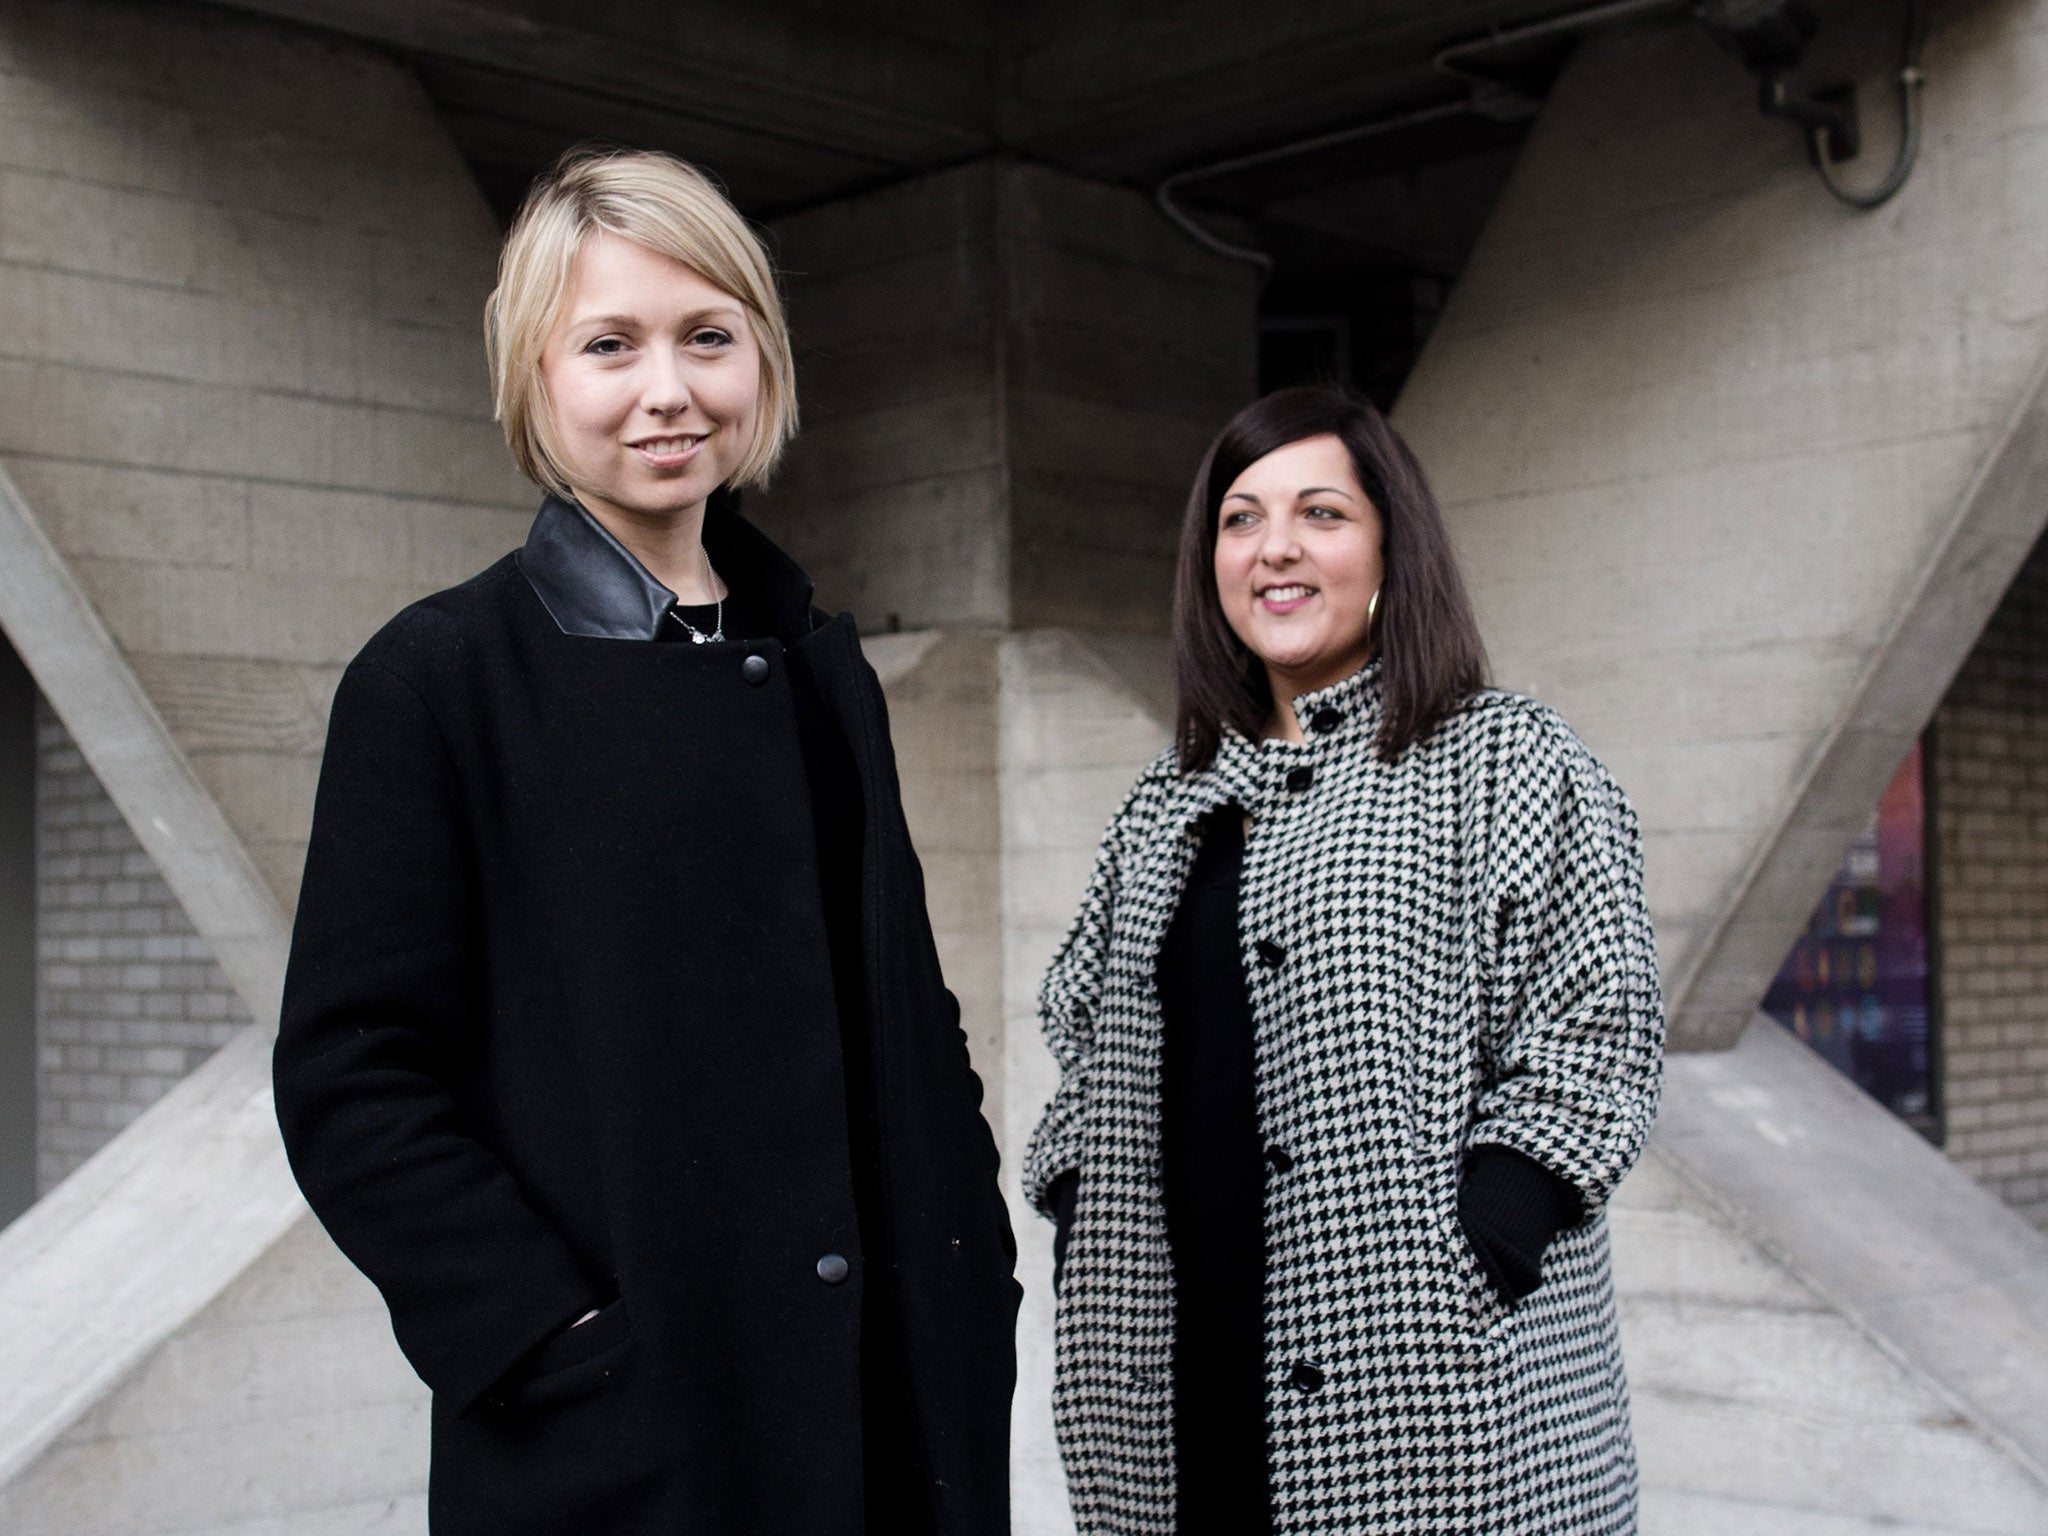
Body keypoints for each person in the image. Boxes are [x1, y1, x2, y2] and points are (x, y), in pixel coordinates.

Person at [273, 147, 1019, 1536]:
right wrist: (545, 1332)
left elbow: (911, 1019)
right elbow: (350, 1076)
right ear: (535, 377)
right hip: (633, 1435)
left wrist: (976, 1267)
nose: (668, 390)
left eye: (707, 337)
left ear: (763, 360)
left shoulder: (817, 664)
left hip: (897, 1407)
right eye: (609, 344)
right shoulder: (437, 681)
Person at [1023, 385, 1664, 1535]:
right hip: (1174, 1375)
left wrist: (1484, 1242)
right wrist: (1084, 1217)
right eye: (1239, 519)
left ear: (1387, 547)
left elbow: (1591, 1027)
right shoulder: (1166, 800)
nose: (1273, 548)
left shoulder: (1501, 758)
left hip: (1424, 1385)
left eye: (1319, 514)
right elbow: (1077, 1022)